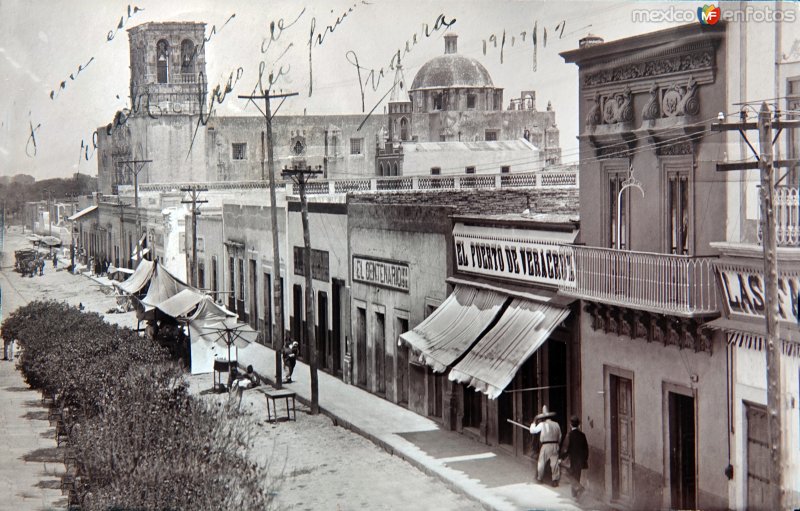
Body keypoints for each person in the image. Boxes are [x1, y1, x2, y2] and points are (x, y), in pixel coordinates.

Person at [530, 405, 562, 487]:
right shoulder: (556, 424)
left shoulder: (542, 424)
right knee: (554, 463)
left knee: (541, 462)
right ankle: (555, 480)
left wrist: (533, 422)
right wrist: (557, 444)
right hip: (555, 444)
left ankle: (539, 478)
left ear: (543, 418)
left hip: (546, 445)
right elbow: (560, 436)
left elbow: (533, 431)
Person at [560, 415, 589, 499]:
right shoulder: (582, 435)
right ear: (578, 424)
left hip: (571, 460)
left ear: (570, 425)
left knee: (567, 474)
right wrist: (584, 459)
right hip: (580, 460)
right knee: (577, 476)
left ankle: (578, 489)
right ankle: (575, 495)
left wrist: (561, 457)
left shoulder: (569, 435)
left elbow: (565, 448)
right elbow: (586, 448)